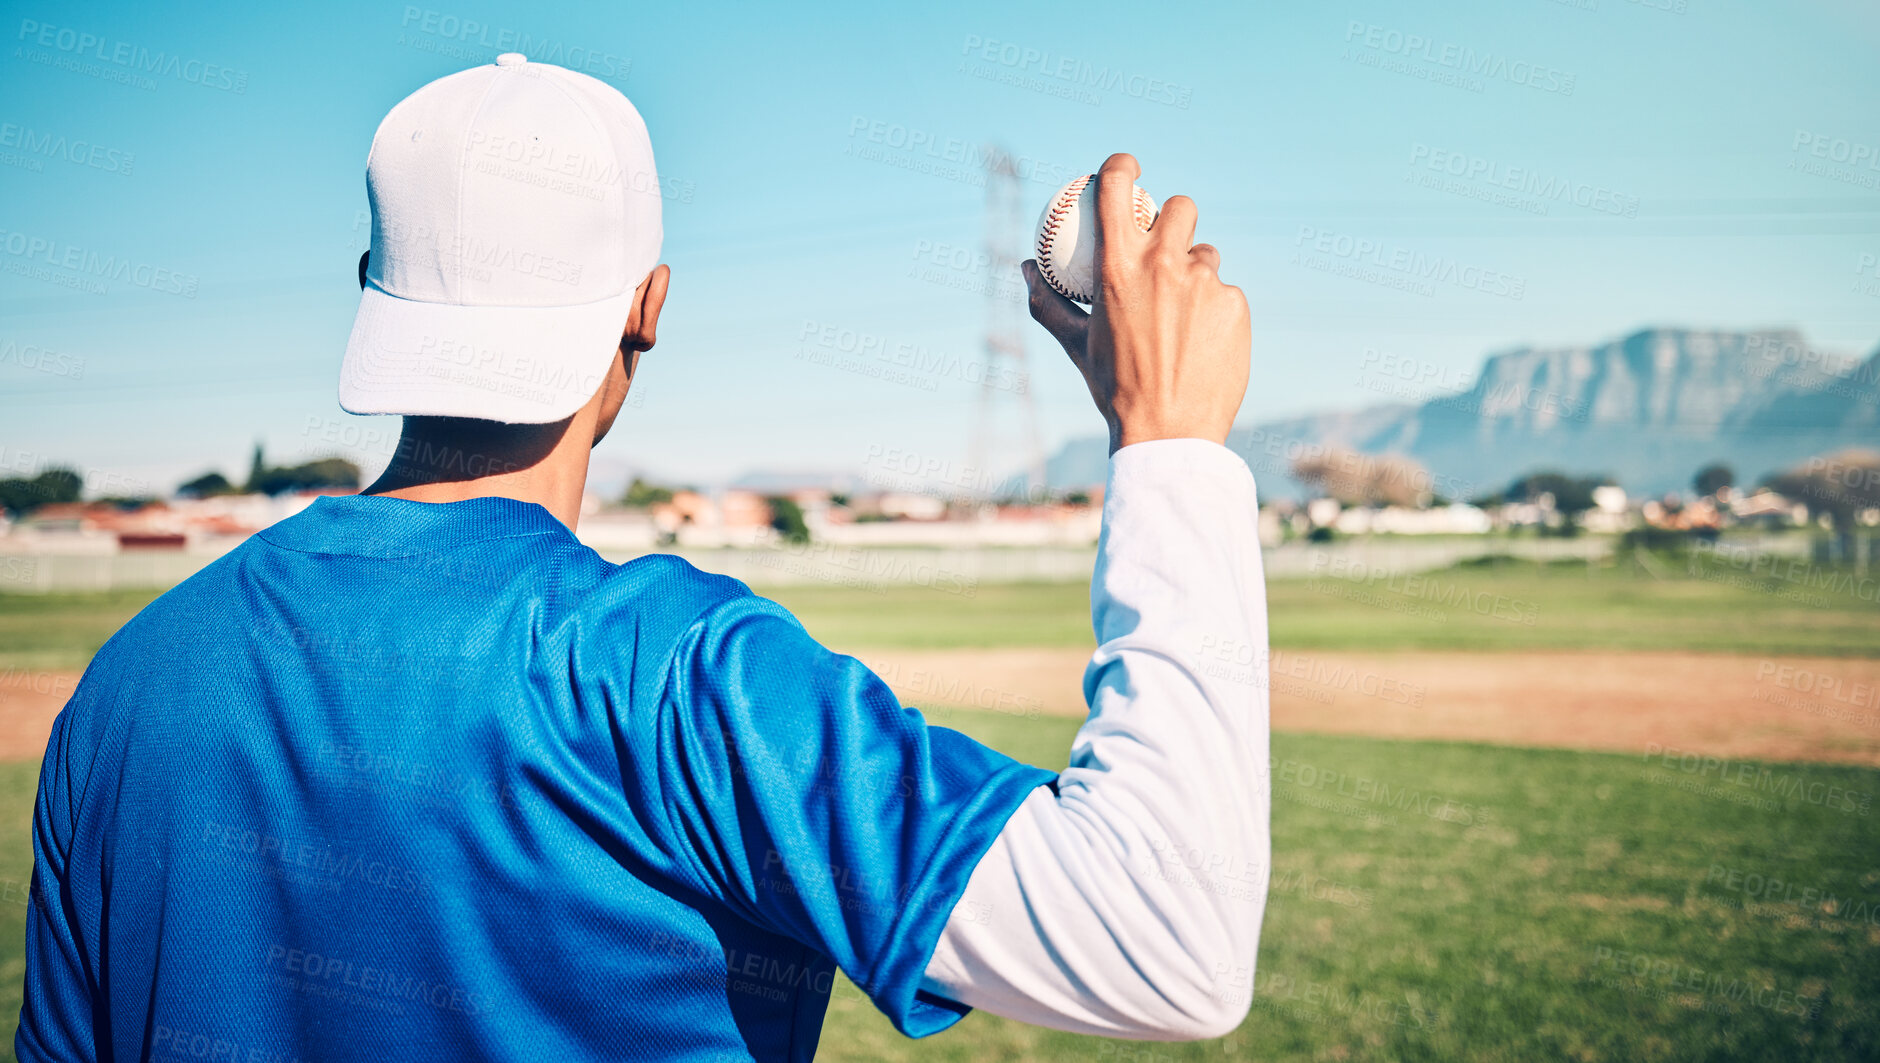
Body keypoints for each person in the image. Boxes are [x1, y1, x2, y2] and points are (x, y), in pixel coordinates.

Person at [18, 55, 1267, 1063]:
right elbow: (1164, 944)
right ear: (646, 306)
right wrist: (1168, 447)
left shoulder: (127, 685)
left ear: (370, 291)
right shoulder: (677, 679)